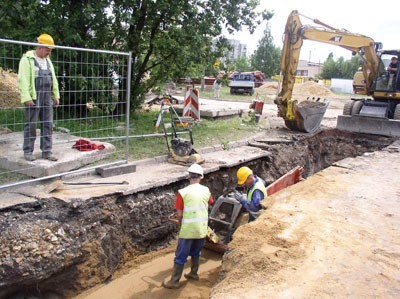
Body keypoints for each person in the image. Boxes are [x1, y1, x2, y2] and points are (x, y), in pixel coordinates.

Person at [163, 163, 214, 289]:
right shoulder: (206, 190)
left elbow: (179, 213)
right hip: (202, 229)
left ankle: (174, 281)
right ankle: (193, 273)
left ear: (189, 177)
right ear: (201, 177)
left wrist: (180, 222)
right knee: (196, 252)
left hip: (188, 231)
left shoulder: (183, 192)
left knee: (180, 256)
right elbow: (210, 202)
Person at [18, 33, 60, 162]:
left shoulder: (48, 61)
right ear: (40, 46)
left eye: (50, 50)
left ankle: (47, 151)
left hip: (47, 96)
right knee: (31, 124)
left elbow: (53, 79)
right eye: (47, 49)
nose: (49, 52)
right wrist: (27, 98)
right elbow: (22, 80)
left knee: (48, 124)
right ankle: (28, 151)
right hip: (34, 97)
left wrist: (55, 95)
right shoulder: (27, 59)